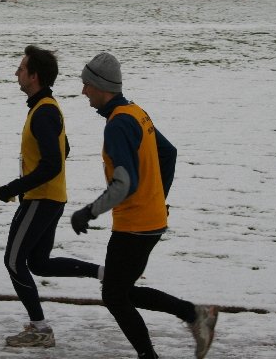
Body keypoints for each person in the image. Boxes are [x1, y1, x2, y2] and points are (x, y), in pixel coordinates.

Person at [71, 52, 219, 359]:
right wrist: (157, 198)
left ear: (101, 86)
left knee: (114, 295)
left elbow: (124, 183)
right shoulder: (137, 113)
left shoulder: (117, 124)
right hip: (151, 221)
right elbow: (169, 154)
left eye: (86, 85)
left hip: (135, 226)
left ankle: (154, 350)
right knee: (122, 292)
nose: (83, 91)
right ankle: (193, 315)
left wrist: (89, 211)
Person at [0, 45, 103, 348]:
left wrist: (15, 187)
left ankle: (40, 328)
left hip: (40, 198)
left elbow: (54, 162)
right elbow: (63, 149)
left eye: (21, 68)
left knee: (14, 261)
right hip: (51, 197)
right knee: (38, 263)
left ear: (34, 76)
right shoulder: (46, 107)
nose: (17, 73)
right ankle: (102, 272)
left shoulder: (43, 112)